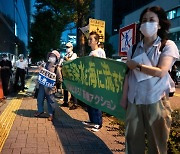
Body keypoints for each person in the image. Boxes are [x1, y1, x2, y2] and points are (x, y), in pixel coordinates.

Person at [125, 6, 179, 153]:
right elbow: (128, 75)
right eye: (144, 20)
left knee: (157, 146)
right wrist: (124, 99)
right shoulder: (134, 48)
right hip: (134, 102)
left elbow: (161, 71)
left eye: (151, 20)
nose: (147, 23)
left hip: (156, 102)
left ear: (159, 24)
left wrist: (137, 65)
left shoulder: (167, 45)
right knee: (133, 146)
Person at [82, 31, 106, 132]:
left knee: (96, 101)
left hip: (97, 80)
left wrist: (96, 59)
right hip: (90, 80)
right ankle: (92, 120)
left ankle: (98, 123)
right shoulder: (90, 53)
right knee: (89, 100)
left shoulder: (100, 51)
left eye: (91, 39)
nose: (89, 41)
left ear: (96, 41)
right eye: (89, 39)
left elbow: (104, 65)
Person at [34, 50, 62, 121]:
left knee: (51, 101)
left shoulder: (56, 68)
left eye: (53, 56)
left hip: (51, 87)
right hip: (42, 86)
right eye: (50, 56)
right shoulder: (45, 65)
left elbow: (59, 78)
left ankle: (51, 114)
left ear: (56, 58)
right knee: (40, 98)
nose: (51, 57)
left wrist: (55, 84)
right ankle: (40, 110)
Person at [61, 42, 78, 110]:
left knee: (73, 88)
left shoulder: (74, 55)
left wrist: (66, 59)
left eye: (69, 47)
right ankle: (66, 102)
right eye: (66, 47)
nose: (67, 48)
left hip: (72, 74)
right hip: (66, 74)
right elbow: (61, 63)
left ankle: (75, 103)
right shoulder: (65, 55)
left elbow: (71, 62)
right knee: (65, 88)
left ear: (72, 47)